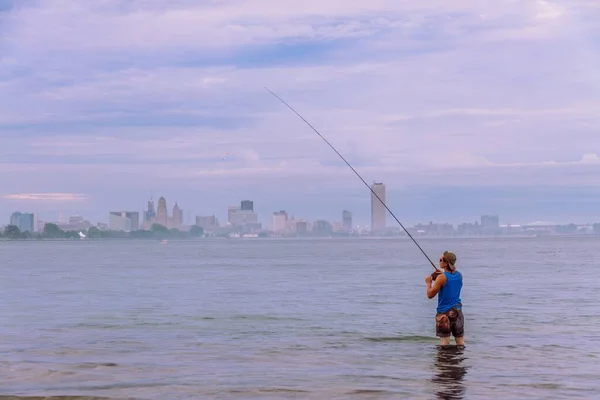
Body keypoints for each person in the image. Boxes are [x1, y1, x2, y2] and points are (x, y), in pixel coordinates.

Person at [425, 250, 464, 347]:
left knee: (444, 343)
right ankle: (459, 361)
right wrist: (440, 275)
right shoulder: (459, 275)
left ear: (446, 263)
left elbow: (430, 295)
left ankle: (444, 362)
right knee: (460, 342)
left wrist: (428, 282)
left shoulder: (442, 277)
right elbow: (450, 282)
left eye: (440, 259)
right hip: (457, 311)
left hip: (444, 313)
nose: (439, 261)